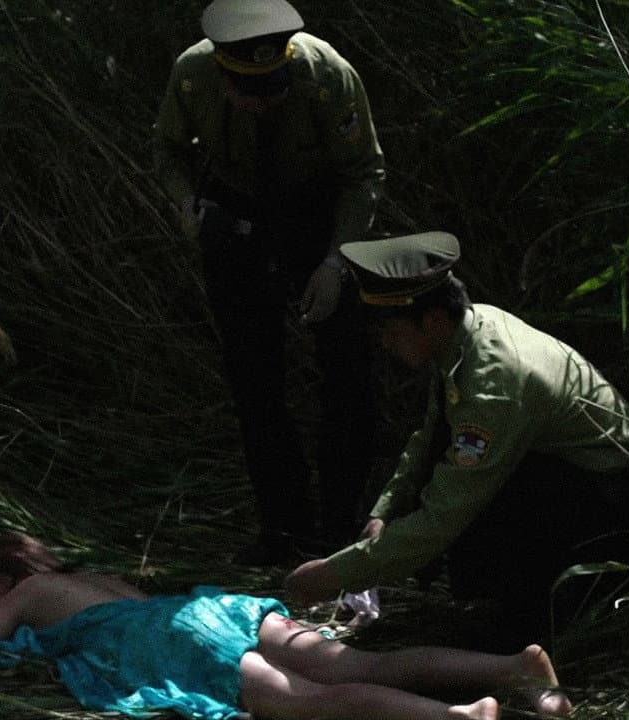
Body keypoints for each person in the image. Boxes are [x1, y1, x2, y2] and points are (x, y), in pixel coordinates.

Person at [285, 232, 629, 648]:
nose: (385, 344)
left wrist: (336, 573)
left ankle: (540, 626)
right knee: (450, 474)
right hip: (567, 472)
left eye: (391, 331)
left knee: (471, 502)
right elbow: (431, 435)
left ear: (432, 320)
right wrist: (385, 511)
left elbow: (442, 517)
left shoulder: (492, 387)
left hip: (608, 501)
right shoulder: (468, 331)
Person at [153, 0, 385, 564]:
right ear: (222, 70)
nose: (262, 103)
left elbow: (363, 174)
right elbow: (167, 150)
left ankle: (343, 530)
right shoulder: (193, 74)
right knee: (254, 379)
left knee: (347, 376)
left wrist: (335, 262)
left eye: (273, 89)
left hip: (317, 216)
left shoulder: (329, 76)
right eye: (248, 92)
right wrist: (185, 205)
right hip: (234, 217)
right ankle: (283, 529)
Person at [0, 532, 573, 720]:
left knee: (312, 703)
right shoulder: (92, 579)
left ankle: (458, 717)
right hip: (210, 611)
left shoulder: (29, 593)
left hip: (178, 643)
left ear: (0, 577)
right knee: (355, 665)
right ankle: (512, 668)